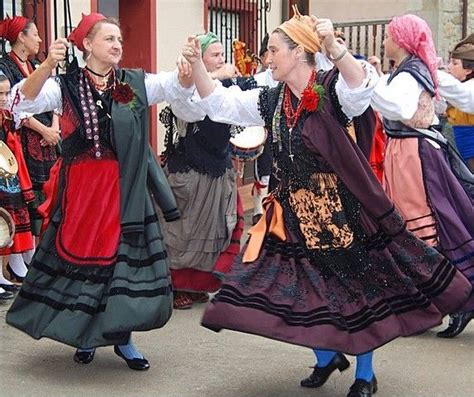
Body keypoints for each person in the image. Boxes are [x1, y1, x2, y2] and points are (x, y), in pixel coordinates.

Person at [181, 8, 472, 397]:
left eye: (273, 50)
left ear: (299, 51)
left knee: (355, 291)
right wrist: (197, 66)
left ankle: (365, 375)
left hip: (340, 212)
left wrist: (335, 47)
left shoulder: (333, 89)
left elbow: (358, 88)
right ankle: (326, 357)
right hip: (290, 213)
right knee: (301, 289)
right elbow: (219, 104)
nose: (267, 58)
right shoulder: (271, 100)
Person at [6, 12, 203, 370]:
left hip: (123, 191)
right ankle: (85, 336)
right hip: (81, 194)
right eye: (109, 39)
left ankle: (123, 340)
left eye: (120, 40)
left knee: (119, 268)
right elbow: (20, 103)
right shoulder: (63, 85)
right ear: (87, 45)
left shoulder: (134, 82)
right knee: (84, 267)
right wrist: (48, 64)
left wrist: (188, 69)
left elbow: (175, 86)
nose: (117, 46)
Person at [371, 14, 474, 339]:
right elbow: (465, 96)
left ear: (401, 41)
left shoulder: (411, 74)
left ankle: (448, 300)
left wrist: (365, 79)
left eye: (388, 36)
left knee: (422, 226)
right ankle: (435, 301)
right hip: (406, 152)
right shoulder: (413, 70)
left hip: (413, 154)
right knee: (425, 224)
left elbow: (397, 107)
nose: (384, 41)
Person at [159, 32, 248, 310]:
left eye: (223, 55)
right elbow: (191, 110)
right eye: (215, 55)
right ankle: (175, 286)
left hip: (218, 168)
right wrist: (218, 75)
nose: (222, 60)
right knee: (181, 232)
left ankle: (196, 284)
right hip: (189, 170)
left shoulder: (228, 88)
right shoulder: (184, 87)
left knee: (217, 229)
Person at [0, 16, 59, 272]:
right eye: (34, 34)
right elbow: (14, 106)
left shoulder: (36, 65)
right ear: (21, 37)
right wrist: (44, 129)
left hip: (46, 142)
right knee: (24, 199)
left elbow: (55, 97)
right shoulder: (7, 67)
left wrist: (54, 128)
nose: (39, 39)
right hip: (23, 141)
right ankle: (19, 258)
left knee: (44, 197)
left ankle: (36, 252)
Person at [0, 72, 34, 293]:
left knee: (8, 221)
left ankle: (11, 268)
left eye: (6, 93)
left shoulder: (5, 116)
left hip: (6, 172)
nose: (3, 98)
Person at [444, 33, 474, 172]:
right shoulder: (458, 87)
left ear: (468, 70)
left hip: (469, 147)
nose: (449, 67)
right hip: (456, 141)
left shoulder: (468, 88)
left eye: (455, 63)